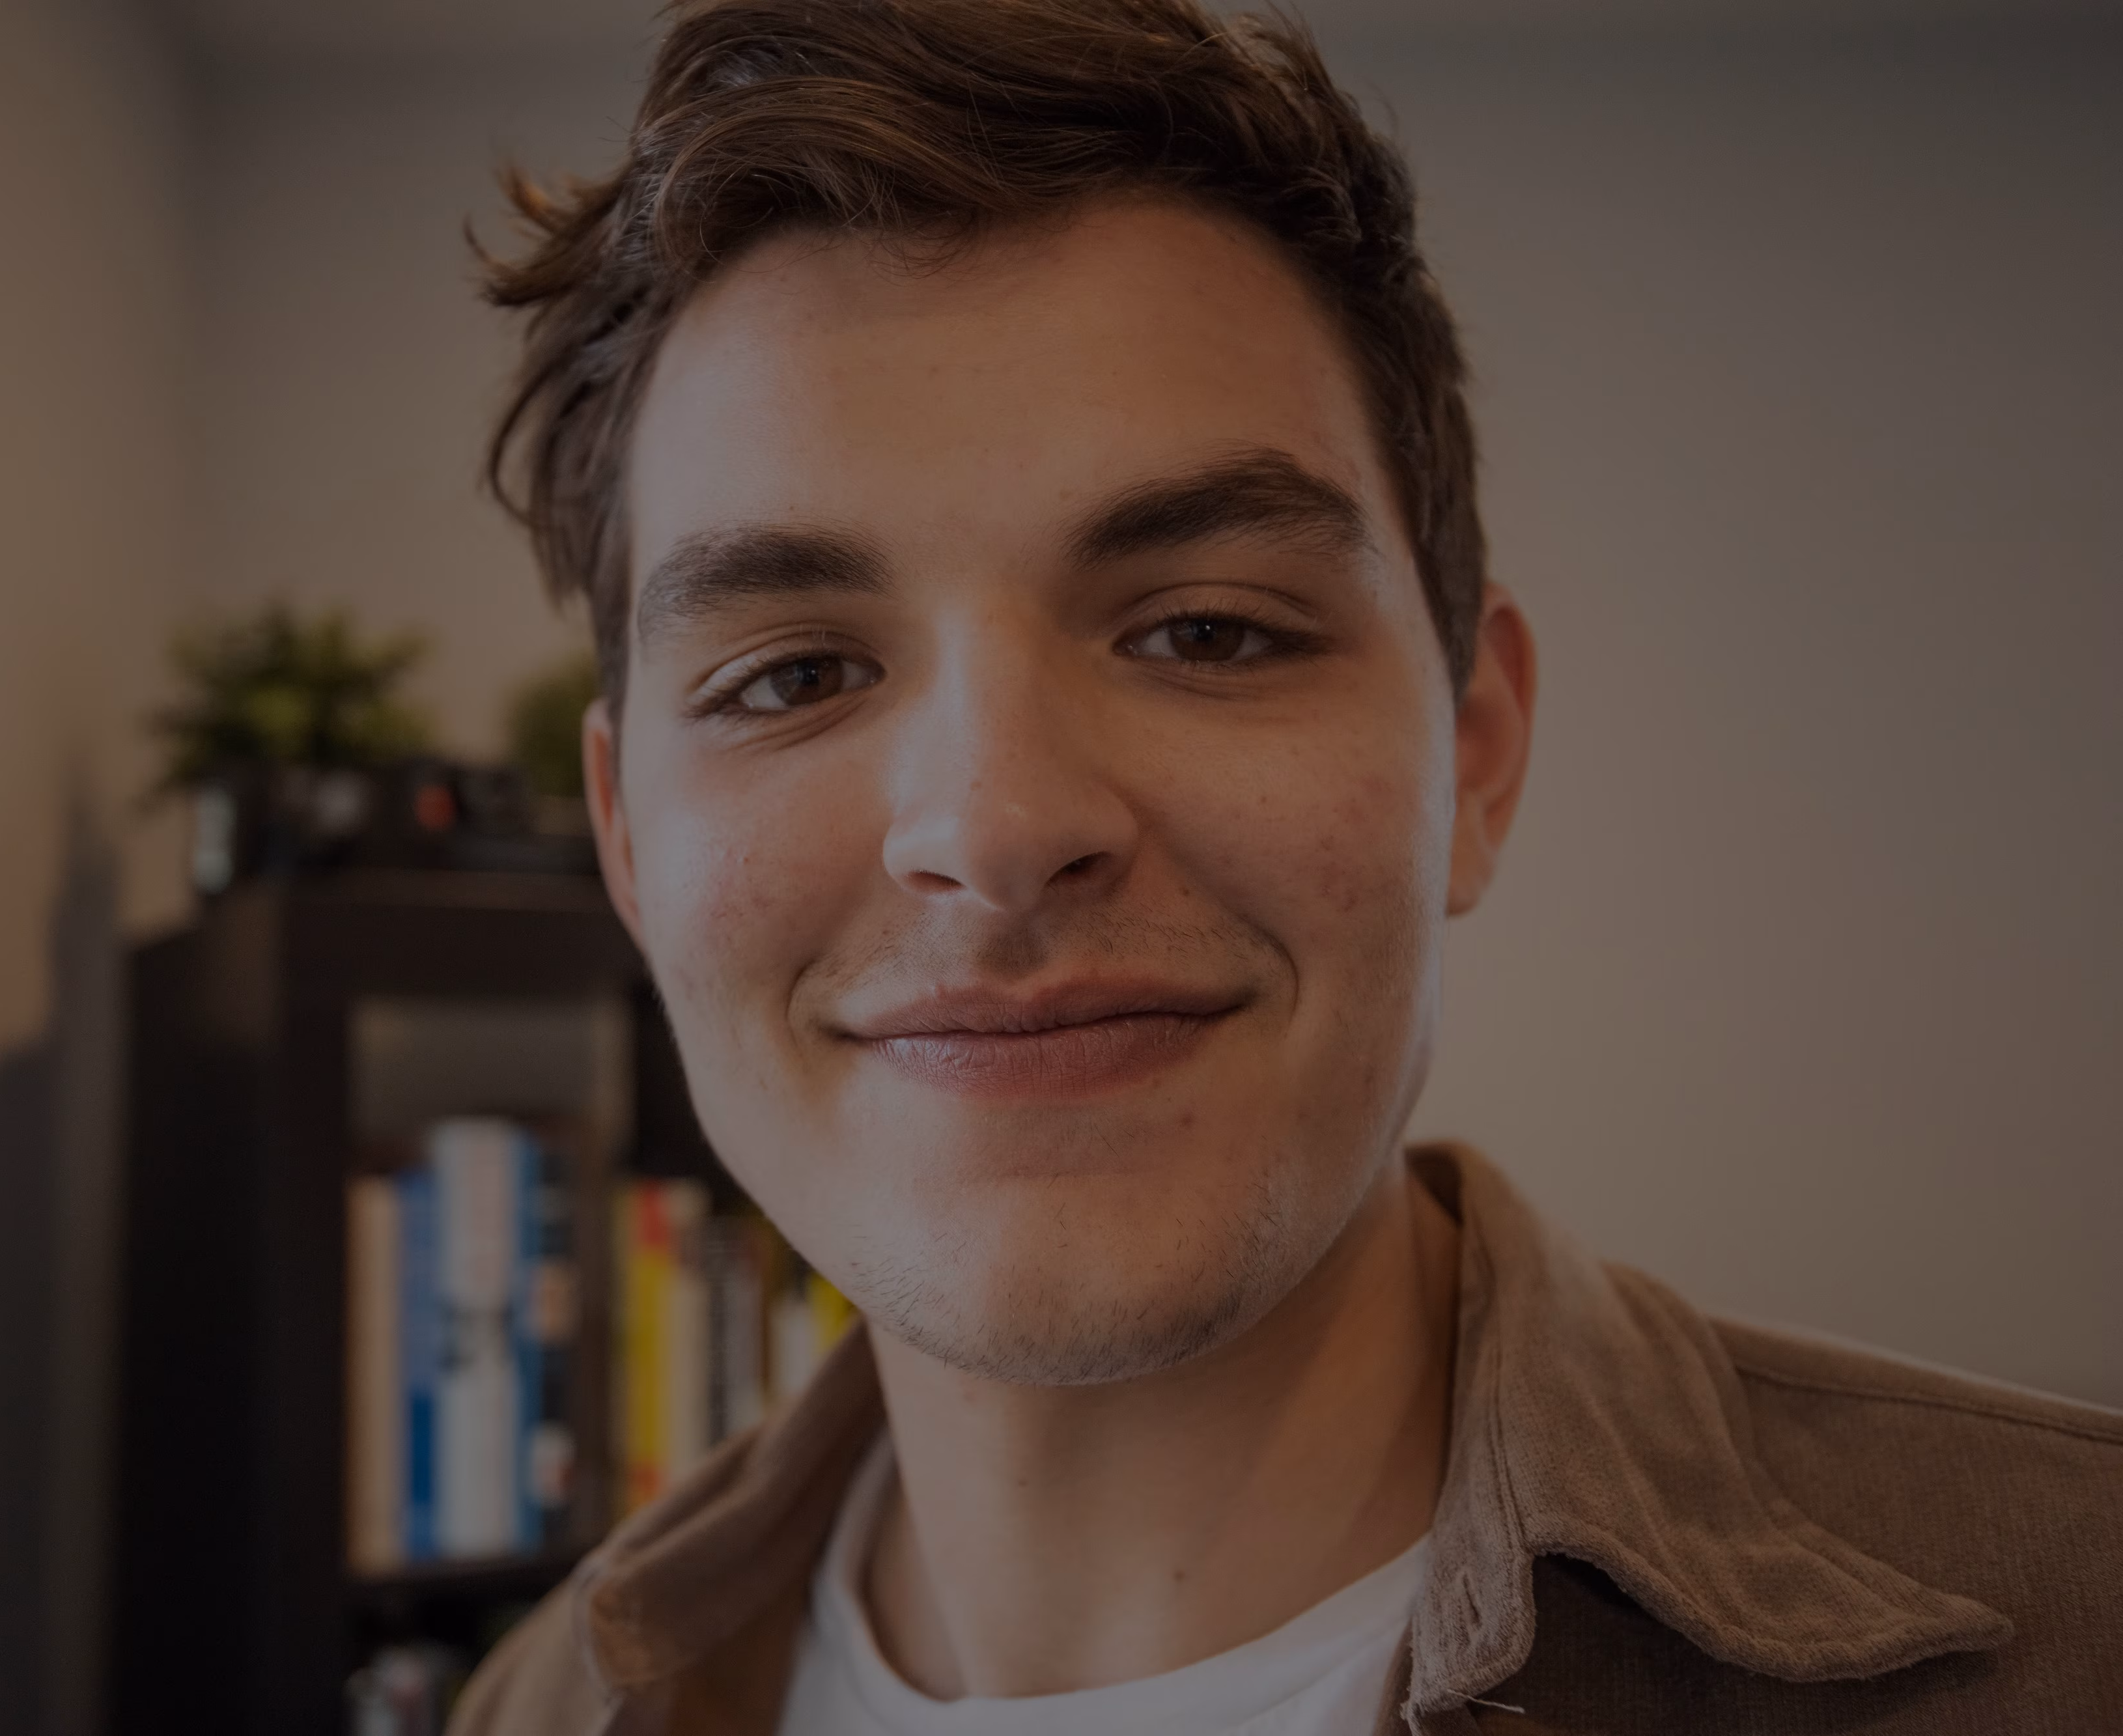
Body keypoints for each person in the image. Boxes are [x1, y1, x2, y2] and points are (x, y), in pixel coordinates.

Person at [452, 1, 2123, 1730]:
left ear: (1477, 754)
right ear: (628, 842)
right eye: (794, 676)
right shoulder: (532, 1712)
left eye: (1207, 632)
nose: (999, 826)